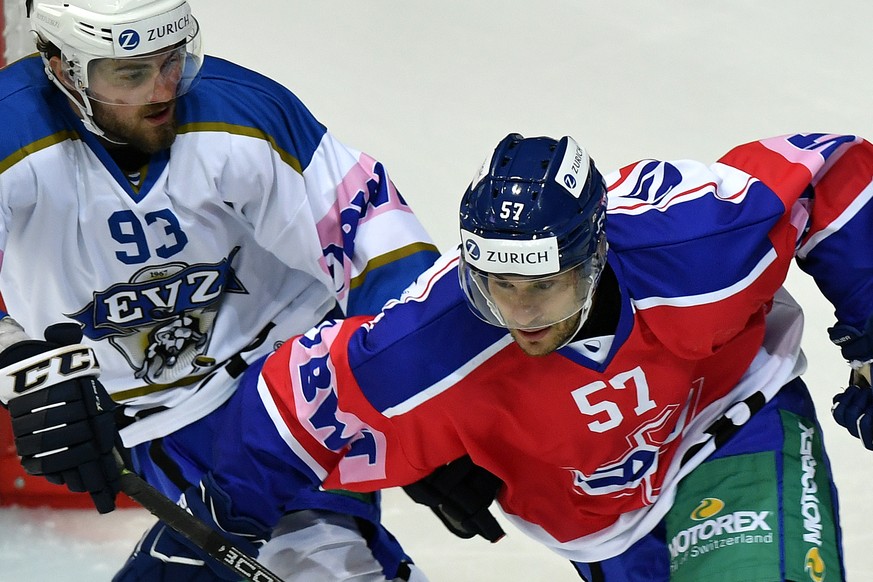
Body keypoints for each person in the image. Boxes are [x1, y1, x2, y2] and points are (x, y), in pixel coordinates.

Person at [164, 131, 873, 581]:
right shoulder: (432, 340)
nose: (519, 313)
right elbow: (290, 403)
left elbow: (837, 176)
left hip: (731, 427)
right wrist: (215, 522)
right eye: (498, 285)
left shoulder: (691, 246)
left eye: (542, 286)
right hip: (600, 521)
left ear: (595, 256)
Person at [0, 0, 440, 580]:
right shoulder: (13, 133)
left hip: (290, 383)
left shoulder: (244, 111)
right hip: (150, 418)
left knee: (319, 561)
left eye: (172, 60)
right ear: (60, 65)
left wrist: (424, 382)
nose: (163, 90)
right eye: (130, 73)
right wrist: (25, 370)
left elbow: (378, 242)